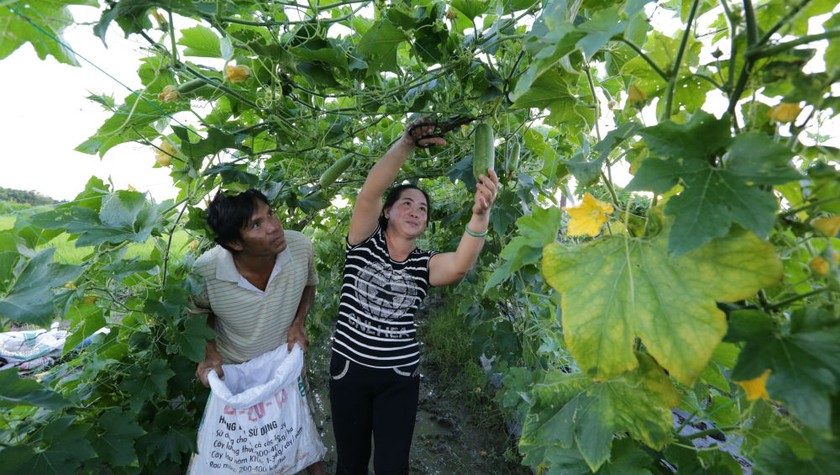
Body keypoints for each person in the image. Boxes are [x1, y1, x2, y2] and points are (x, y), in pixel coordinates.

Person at [329, 119, 499, 474]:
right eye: (406, 204)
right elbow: (369, 194)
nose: (415, 211)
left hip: (399, 376)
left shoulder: (424, 263)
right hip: (350, 372)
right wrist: (406, 143)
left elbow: (459, 266)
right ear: (387, 212)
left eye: (422, 209)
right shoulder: (363, 242)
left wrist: (480, 215)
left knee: (393, 468)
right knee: (351, 464)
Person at [191, 189, 326, 475]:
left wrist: (298, 322)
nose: (274, 226)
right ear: (233, 242)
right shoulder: (205, 272)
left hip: (284, 362)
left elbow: (309, 284)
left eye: (271, 213)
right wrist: (210, 353)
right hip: (236, 372)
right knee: (248, 448)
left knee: (301, 426)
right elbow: (198, 314)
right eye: (256, 224)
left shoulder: (299, 247)